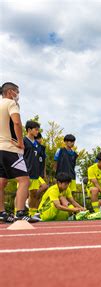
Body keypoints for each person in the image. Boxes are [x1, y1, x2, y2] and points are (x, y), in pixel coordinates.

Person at [0, 82, 38, 223]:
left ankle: (2, 213)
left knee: (1, 182)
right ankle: (20, 213)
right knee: (24, 180)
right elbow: (16, 123)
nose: (18, 95)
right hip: (10, 148)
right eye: (17, 92)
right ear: (10, 92)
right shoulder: (11, 104)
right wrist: (21, 143)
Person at [23, 120, 45, 216]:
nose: (37, 132)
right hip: (25, 172)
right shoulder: (23, 141)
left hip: (35, 173)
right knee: (22, 193)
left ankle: (32, 214)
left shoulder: (37, 145)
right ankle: (17, 213)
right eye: (36, 129)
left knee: (33, 194)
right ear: (29, 129)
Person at [35, 133, 48, 198]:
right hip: (34, 172)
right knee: (44, 186)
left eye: (40, 138)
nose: (40, 140)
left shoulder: (42, 148)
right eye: (38, 139)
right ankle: (30, 198)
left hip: (40, 173)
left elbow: (44, 161)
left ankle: (33, 203)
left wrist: (44, 173)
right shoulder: (32, 146)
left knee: (39, 189)